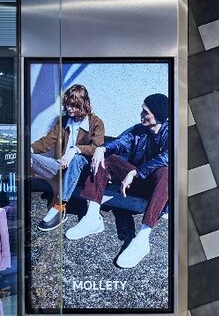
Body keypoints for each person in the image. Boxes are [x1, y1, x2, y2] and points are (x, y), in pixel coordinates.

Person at [65, 93, 169, 269]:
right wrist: (102, 149)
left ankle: (142, 239)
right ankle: (92, 218)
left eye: (146, 112)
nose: (141, 115)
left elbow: (169, 156)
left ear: (158, 114)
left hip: (157, 188)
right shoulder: (139, 130)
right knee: (105, 158)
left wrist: (137, 172)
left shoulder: (171, 133)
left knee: (167, 172)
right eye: (141, 111)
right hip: (133, 182)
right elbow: (121, 143)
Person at [30, 84, 105, 231]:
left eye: (74, 105)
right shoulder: (64, 122)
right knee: (26, 156)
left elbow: (97, 147)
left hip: (82, 173)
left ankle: (60, 207)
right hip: (60, 167)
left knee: (77, 159)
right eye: (67, 105)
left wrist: (75, 149)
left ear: (83, 104)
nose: (69, 109)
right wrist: (30, 148)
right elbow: (47, 141)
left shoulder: (96, 123)